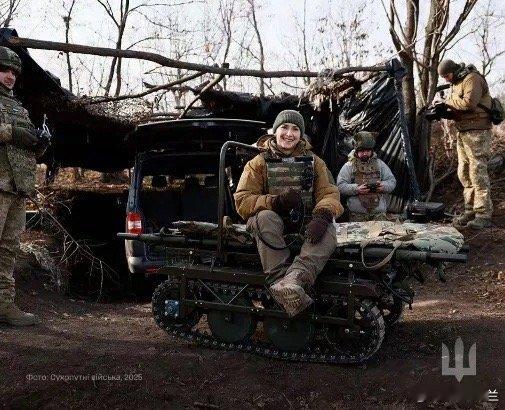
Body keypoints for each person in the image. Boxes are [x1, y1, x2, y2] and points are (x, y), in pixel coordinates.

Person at [234, 110, 344, 317]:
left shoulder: (315, 162)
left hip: (304, 222)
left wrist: (322, 214)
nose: (289, 134)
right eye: (284, 127)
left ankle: (294, 280)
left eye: (295, 129)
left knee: (328, 229)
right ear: (275, 131)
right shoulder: (258, 163)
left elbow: (329, 193)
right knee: (265, 217)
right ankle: (280, 283)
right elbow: (243, 201)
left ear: (301, 134)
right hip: (271, 224)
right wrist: (275, 202)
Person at [0, 46, 48, 326]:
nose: (10, 76)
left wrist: (40, 143)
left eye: (14, 72)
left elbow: (29, 150)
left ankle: (4, 306)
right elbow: (12, 136)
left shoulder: (19, 107)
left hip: (18, 186)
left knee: (9, 248)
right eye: (4, 70)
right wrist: (16, 133)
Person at [436, 59, 493, 229]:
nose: (446, 79)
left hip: (478, 131)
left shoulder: (472, 78)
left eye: (447, 75)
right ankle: (470, 210)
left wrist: (446, 102)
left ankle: (483, 214)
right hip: (463, 131)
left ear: (453, 70)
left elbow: (469, 103)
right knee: (464, 173)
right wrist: (442, 111)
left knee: (477, 172)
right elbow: (458, 108)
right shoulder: (456, 83)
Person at [336, 131, 396, 221]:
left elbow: (391, 181)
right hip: (357, 215)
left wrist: (383, 186)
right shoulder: (349, 166)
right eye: (362, 151)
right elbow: (340, 186)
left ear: (372, 151)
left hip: (378, 215)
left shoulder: (380, 164)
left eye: (368, 151)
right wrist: (356, 189)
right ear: (356, 151)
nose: (365, 153)